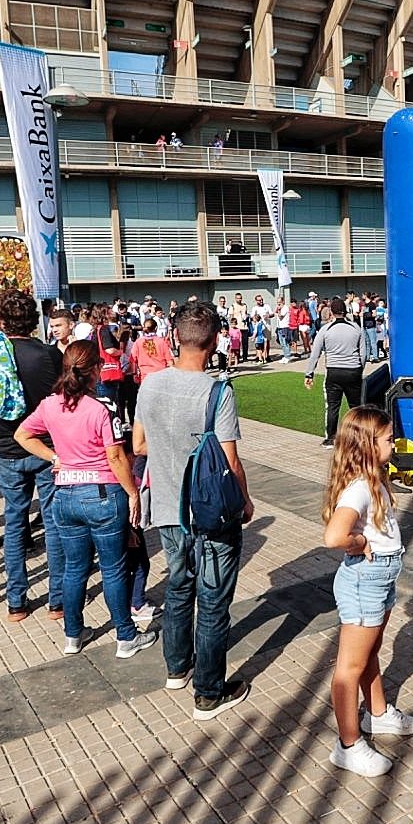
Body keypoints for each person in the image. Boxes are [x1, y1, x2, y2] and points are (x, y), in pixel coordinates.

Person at [132, 300, 254, 721]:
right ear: (216, 339)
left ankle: (176, 667)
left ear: (174, 337)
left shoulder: (150, 385)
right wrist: (246, 499)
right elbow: (231, 460)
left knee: (179, 588)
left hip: (167, 506)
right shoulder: (217, 391)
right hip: (210, 511)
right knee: (214, 598)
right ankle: (208, 691)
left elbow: (138, 445)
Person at [15, 340, 158, 658]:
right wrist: (133, 493)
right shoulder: (100, 408)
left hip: (64, 494)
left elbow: (22, 435)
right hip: (103, 494)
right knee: (114, 568)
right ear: (95, 370)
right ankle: (125, 634)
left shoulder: (51, 404)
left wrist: (54, 457)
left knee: (74, 568)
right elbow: (117, 457)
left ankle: (73, 634)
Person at [322, 407, 413, 777]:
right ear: (366, 444)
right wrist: (360, 540)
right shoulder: (360, 488)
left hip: (380, 579)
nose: (393, 443)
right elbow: (334, 536)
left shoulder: (374, 479)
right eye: (387, 438)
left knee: (371, 652)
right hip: (365, 581)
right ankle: (348, 744)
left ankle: (377, 713)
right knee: (349, 667)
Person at [0, 290, 68, 623]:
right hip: (47, 446)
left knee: (16, 523)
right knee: (53, 522)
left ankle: (16, 601)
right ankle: (58, 601)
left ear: (0, 322)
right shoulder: (49, 354)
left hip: (7, 447)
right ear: (35, 320)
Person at [304, 297, 365, 447]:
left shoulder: (325, 329)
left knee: (332, 406)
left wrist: (309, 373)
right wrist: (358, 369)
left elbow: (315, 353)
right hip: (353, 370)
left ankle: (331, 438)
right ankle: (359, 438)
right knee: (356, 407)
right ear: (345, 311)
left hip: (334, 372)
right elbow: (363, 354)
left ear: (331, 312)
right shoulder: (357, 328)